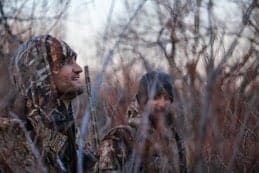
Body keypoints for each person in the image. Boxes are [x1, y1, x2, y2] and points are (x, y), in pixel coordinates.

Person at [0, 35, 96, 172]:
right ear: (41, 72)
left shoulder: (68, 130)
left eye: (75, 60)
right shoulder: (10, 133)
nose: (79, 68)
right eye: (66, 62)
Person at [98, 71, 188, 173]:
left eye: (167, 98)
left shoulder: (174, 138)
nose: (162, 104)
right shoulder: (120, 136)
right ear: (142, 101)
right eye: (156, 98)